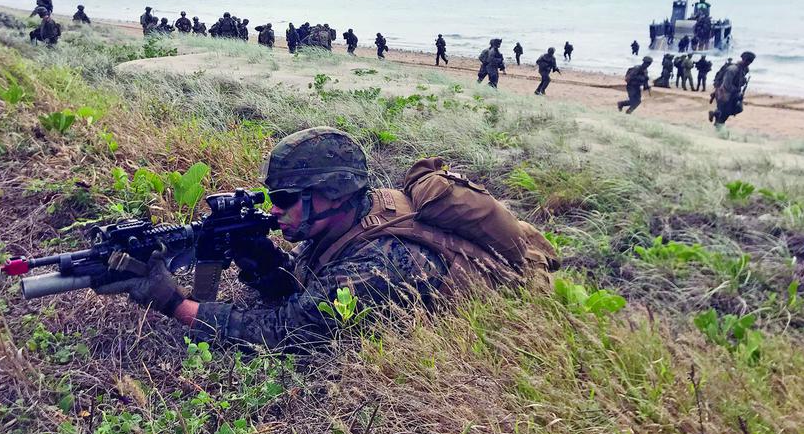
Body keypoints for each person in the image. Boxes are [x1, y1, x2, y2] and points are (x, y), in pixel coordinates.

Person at [91, 127, 557, 349]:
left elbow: (289, 333)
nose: (273, 210)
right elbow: (303, 290)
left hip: (510, 318)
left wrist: (174, 303)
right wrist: (261, 261)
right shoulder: (350, 215)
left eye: (286, 198)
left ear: (332, 194)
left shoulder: (383, 262)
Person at [710, 52, 755, 126]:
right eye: (747, 60)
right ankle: (718, 126)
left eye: (750, 61)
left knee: (735, 109)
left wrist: (742, 83)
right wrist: (736, 90)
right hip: (724, 94)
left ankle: (715, 116)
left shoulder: (744, 69)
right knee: (723, 113)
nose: (748, 63)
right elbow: (727, 85)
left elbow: (739, 81)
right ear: (743, 59)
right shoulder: (732, 69)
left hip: (732, 94)